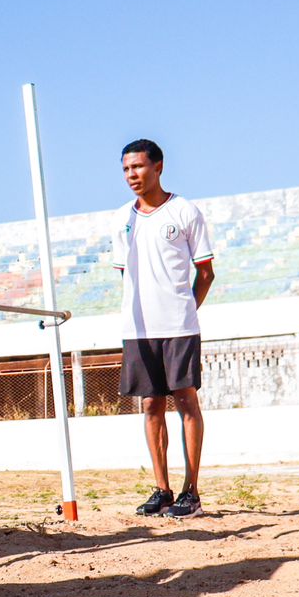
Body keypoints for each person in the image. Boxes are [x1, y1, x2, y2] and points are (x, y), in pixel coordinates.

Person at [112, 139, 216, 520]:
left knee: (186, 401)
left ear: (158, 166)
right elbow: (125, 276)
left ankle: (192, 492)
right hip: (138, 329)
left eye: (137, 167)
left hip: (178, 326)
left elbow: (205, 272)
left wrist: (184, 310)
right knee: (151, 404)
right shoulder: (122, 218)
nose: (131, 176)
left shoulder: (185, 211)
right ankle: (162, 490)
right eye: (125, 170)